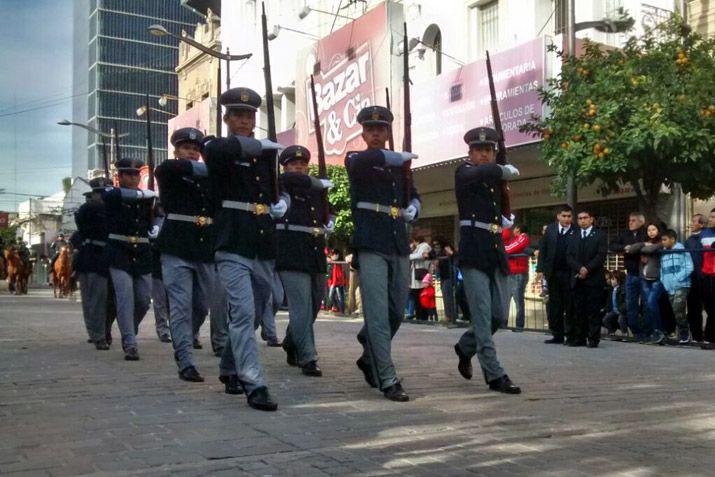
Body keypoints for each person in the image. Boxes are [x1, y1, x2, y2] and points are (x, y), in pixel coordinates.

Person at [203, 87, 287, 411]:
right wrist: (262, 147)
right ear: (226, 118)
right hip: (232, 241)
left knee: (261, 308)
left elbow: (270, 192)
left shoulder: (266, 155)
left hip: (262, 241)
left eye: (249, 115)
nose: (243, 120)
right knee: (242, 311)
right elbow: (222, 152)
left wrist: (280, 203)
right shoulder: (217, 147)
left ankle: (229, 365)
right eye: (237, 114)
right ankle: (255, 382)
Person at [345, 105, 421, 402]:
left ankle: (369, 348)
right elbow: (363, 162)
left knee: (396, 310)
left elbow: (412, 193)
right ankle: (387, 378)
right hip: (371, 241)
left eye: (381, 129)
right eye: (370, 129)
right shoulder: (358, 159)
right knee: (377, 313)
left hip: (397, 240)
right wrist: (395, 158)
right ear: (363, 133)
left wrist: (415, 206)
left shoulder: (399, 166)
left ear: (389, 132)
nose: (376, 133)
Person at [452, 126, 521, 394]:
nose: (484, 154)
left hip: (495, 249)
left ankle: (465, 346)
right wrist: (501, 169)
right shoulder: (464, 172)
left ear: (494, 153)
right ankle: (494, 374)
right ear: (470, 152)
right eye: (479, 150)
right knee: (481, 315)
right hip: (473, 250)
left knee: (499, 314)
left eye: (489, 150)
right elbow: (483, 172)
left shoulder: (495, 181)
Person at [155, 127, 216, 383]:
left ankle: (186, 339)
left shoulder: (208, 177)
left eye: (196, 149)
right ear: (176, 150)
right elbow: (179, 170)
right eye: (186, 148)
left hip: (204, 247)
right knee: (180, 306)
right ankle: (185, 358)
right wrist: (219, 165)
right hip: (177, 245)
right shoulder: (169, 169)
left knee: (202, 305)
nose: (191, 152)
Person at [274, 145, 334, 376]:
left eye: (302, 164)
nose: (299, 167)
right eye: (293, 164)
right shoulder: (282, 183)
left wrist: (331, 220)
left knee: (314, 304)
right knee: (300, 306)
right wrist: (317, 183)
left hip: (315, 250)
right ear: (285, 166)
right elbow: (290, 181)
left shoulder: (316, 188)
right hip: (291, 249)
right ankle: (308, 357)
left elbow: (329, 210)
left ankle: (291, 340)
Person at [102, 158, 156, 361]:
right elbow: (113, 195)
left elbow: (154, 218)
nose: (134, 178)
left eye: (136, 175)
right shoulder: (112, 193)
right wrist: (143, 194)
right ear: (120, 176)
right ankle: (130, 343)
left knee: (143, 300)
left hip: (141, 251)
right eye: (129, 175)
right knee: (125, 298)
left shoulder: (147, 198)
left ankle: (129, 330)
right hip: (119, 250)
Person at [74, 177, 112, 350]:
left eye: (105, 192)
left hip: (111, 256)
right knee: (94, 300)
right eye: (99, 192)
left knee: (105, 301)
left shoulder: (112, 208)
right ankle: (97, 335)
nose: (102, 196)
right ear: (93, 194)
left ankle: (102, 331)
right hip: (91, 257)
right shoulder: (87, 208)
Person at [566, 209, 607, 348]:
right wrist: (579, 269)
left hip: (594, 278)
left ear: (591, 219)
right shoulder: (573, 235)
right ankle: (580, 338)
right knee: (579, 310)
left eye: (585, 218)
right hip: (577, 278)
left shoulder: (600, 235)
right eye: (580, 218)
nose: (582, 220)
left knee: (593, 310)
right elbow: (569, 256)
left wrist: (587, 269)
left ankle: (593, 338)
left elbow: (600, 255)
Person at [536, 205, 576, 344]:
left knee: (570, 306)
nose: (566, 219)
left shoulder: (576, 230)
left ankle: (570, 335)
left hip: (570, 274)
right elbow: (543, 249)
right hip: (553, 273)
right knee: (555, 306)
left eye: (569, 216)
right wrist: (540, 270)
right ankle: (557, 335)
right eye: (564, 216)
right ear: (558, 216)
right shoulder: (551, 230)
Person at [609, 212, 648, 340]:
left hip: (645, 274)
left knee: (647, 304)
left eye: (633, 220)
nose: (630, 222)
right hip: (631, 274)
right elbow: (613, 245)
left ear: (641, 222)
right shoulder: (625, 233)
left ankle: (648, 331)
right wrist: (624, 247)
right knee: (631, 304)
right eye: (629, 220)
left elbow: (651, 244)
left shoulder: (647, 232)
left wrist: (636, 248)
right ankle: (636, 332)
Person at [629, 223, 665, 344]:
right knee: (647, 306)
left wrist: (643, 247)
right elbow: (631, 249)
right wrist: (643, 244)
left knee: (651, 303)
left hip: (656, 279)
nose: (651, 232)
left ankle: (659, 331)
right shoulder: (644, 241)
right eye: (649, 230)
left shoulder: (661, 242)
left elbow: (651, 249)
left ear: (658, 231)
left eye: (654, 229)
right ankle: (650, 333)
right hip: (644, 279)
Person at [660, 229, 693, 344]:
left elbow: (689, 266)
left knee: (677, 308)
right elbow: (661, 269)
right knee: (675, 311)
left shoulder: (682, 250)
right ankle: (680, 332)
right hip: (669, 287)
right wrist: (663, 281)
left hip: (682, 285)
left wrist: (677, 278)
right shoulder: (663, 252)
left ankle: (684, 332)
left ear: (672, 239)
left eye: (665, 239)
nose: (662, 242)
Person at [149, 204, 172, 344]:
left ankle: (170, 329)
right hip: (157, 266)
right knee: (160, 302)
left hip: (171, 264)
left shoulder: (172, 221)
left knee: (172, 302)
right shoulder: (152, 223)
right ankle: (163, 329)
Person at [503, 224, 530, 331]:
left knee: (518, 300)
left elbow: (508, 249)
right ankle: (504, 323)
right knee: (507, 299)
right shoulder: (516, 239)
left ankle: (519, 325)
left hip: (518, 272)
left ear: (518, 228)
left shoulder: (522, 238)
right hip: (512, 272)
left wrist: (500, 247)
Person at [685, 214, 706, 343]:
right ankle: (696, 336)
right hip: (693, 278)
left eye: (693, 221)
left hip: (707, 277)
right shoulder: (689, 240)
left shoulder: (707, 238)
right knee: (693, 308)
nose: (691, 224)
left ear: (701, 224)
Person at [699, 209, 715, 350]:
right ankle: (709, 338)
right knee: (710, 307)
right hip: (707, 275)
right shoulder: (704, 234)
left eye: (713, 217)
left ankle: (710, 338)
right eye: (710, 216)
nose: (710, 219)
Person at [408, 235, 431, 320]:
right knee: (416, 296)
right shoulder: (417, 247)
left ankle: (423, 316)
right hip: (415, 274)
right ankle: (418, 315)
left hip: (421, 273)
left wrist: (409, 256)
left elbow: (420, 256)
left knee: (421, 296)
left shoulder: (424, 246)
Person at [432, 238, 455, 323]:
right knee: (446, 295)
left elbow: (452, 257)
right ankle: (449, 315)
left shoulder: (446, 249)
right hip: (442, 275)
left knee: (447, 295)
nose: (436, 247)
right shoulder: (437, 252)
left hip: (448, 274)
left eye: (437, 244)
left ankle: (449, 315)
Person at [602, 271, 627, 339]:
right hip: (614, 310)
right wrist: (607, 309)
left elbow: (624, 302)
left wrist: (621, 310)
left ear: (618, 281)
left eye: (613, 279)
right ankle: (611, 332)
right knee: (605, 319)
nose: (611, 281)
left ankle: (624, 334)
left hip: (621, 310)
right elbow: (609, 302)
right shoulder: (611, 289)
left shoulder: (622, 290)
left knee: (620, 320)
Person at [326, 249, 346, 313]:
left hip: (339, 280)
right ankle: (336, 307)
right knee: (331, 296)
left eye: (334, 254)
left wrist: (330, 258)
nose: (333, 255)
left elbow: (335, 258)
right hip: (333, 281)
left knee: (340, 296)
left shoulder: (339, 259)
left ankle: (342, 310)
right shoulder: (331, 260)